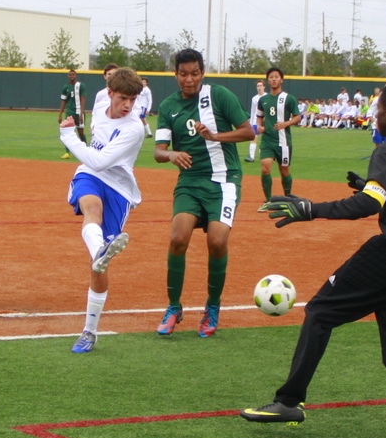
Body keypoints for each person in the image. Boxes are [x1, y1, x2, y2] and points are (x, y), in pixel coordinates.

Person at [241, 81, 386, 438]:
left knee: (319, 312)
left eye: (378, 108)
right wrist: (371, 186)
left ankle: (288, 401)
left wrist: (311, 209)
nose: (374, 115)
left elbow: (370, 205)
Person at [153, 49, 255, 338]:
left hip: (224, 181)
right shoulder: (169, 105)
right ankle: (173, 307)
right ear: (175, 74)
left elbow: (249, 132)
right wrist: (171, 154)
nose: (189, 79)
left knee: (217, 240)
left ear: (202, 73)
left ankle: (212, 306)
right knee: (177, 239)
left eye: (194, 73)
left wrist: (214, 136)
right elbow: (158, 151)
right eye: (183, 74)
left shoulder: (219, 95)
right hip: (190, 181)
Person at [60, 67, 145, 353]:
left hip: (119, 187)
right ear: (109, 93)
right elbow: (92, 166)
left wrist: (70, 138)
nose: (128, 105)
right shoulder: (98, 100)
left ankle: (90, 331)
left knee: (98, 270)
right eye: (123, 98)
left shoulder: (133, 128)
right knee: (90, 207)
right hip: (90, 176)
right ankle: (100, 250)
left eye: (133, 100)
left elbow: (100, 161)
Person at [258, 67, 302, 202]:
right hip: (267, 140)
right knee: (265, 168)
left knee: (284, 171)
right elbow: (259, 116)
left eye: (276, 77)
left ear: (281, 80)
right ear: (268, 80)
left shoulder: (289, 98)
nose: (273, 79)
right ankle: (268, 200)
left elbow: (297, 117)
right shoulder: (263, 99)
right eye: (271, 77)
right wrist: (259, 125)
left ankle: (288, 196)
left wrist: (285, 124)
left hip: (283, 141)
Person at [59, 69, 87, 159]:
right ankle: (67, 153)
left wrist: (81, 113)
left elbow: (83, 99)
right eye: (70, 74)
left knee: (81, 133)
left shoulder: (80, 86)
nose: (71, 76)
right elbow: (63, 101)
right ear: (68, 76)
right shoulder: (65, 87)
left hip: (78, 112)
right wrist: (60, 114)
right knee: (68, 132)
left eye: (73, 74)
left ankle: (86, 152)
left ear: (76, 75)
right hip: (69, 112)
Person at [245, 80, 267, 162]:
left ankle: (265, 156)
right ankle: (251, 156)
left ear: (264, 87)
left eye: (261, 85)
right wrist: (251, 122)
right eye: (258, 86)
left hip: (266, 121)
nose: (259, 87)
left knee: (266, 139)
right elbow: (253, 110)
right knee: (254, 137)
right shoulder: (254, 98)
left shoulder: (267, 97)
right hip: (255, 121)